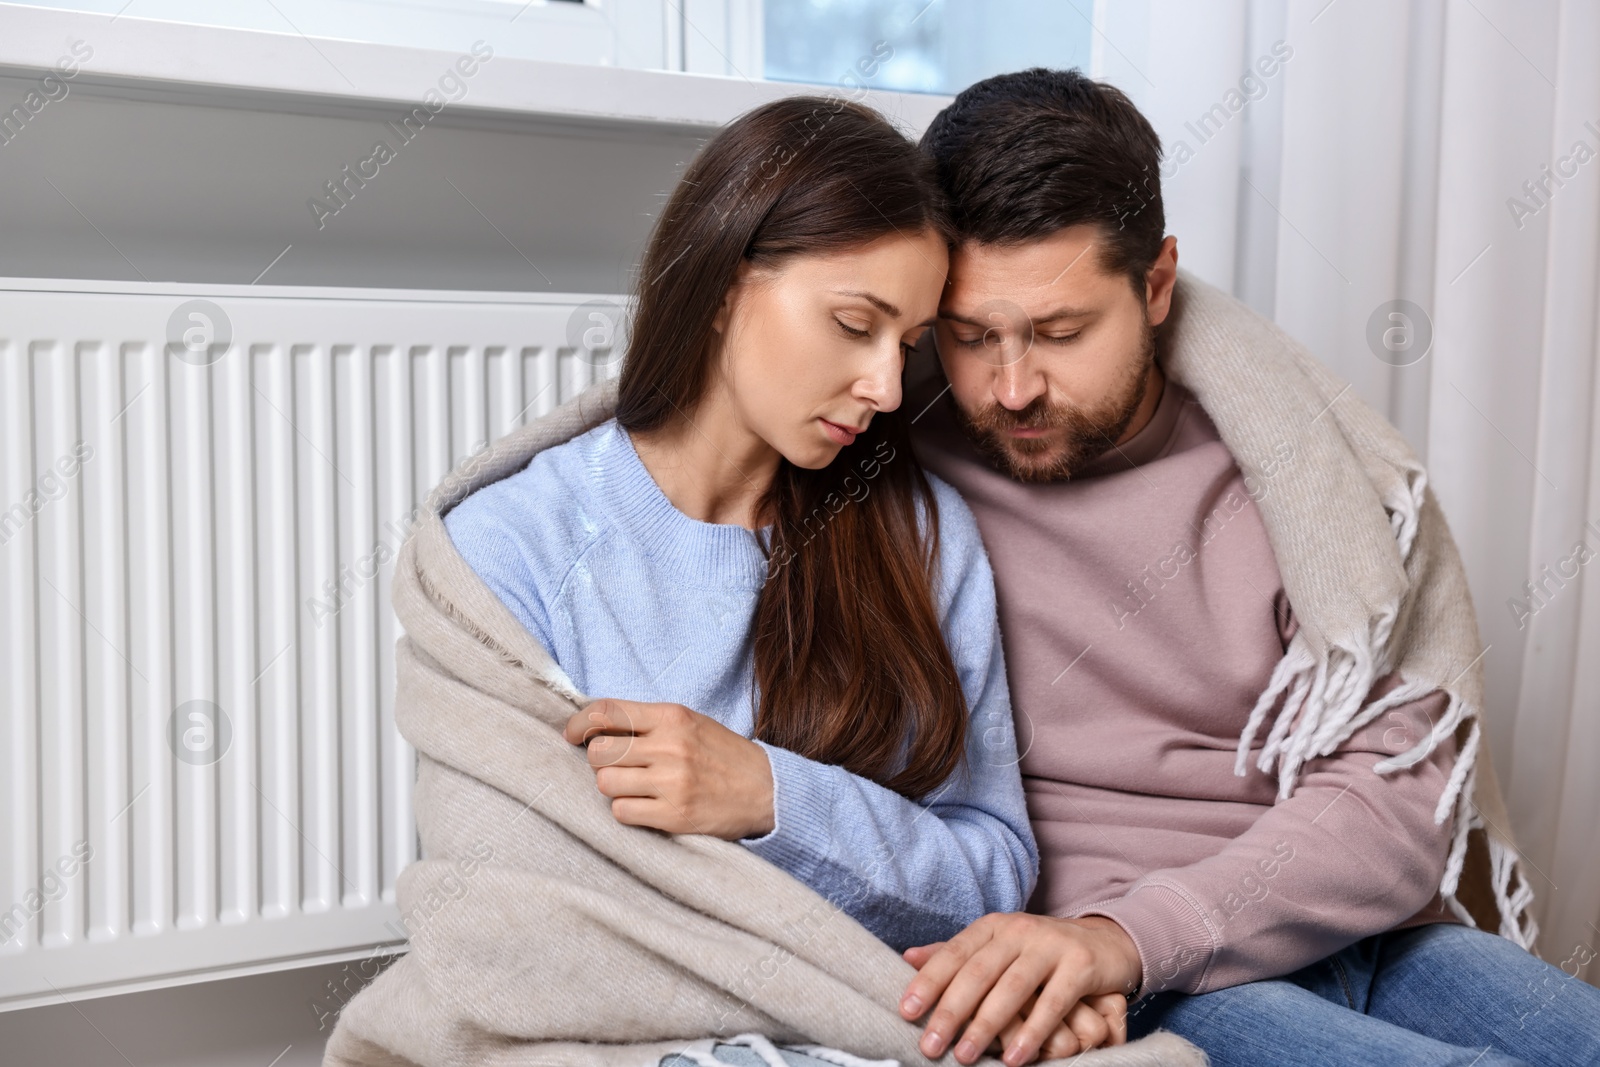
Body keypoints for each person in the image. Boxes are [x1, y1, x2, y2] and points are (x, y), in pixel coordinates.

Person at [890, 69, 1600, 1067]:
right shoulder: (885, 454)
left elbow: (1398, 805)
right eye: (971, 338)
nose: (1013, 388)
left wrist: (1136, 932)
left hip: (1342, 926)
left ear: (1155, 284)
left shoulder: (1306, 477)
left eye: (1060, 333)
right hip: (1107, 959)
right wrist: (1112, 945)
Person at [444, 96, 1134, 1050]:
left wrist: (774, 797)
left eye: (908, 346)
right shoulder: (514, 546)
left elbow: (990, 872)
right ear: (726, 283)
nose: (888, 390)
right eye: (854, 324)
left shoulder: (923, 535)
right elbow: (517, 920)